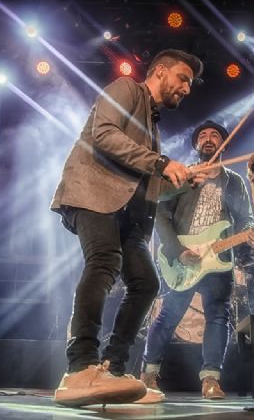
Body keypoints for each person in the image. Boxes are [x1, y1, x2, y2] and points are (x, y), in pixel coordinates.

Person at [49, 49, 203, 406]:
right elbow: (104, 134)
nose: (186, 88)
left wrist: (182, 182)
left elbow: (148, 184)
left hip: (127, 212)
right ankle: (79, 368)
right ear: (160, 71)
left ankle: (113, 369)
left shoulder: (152, 126)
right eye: (182, 78)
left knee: (146, 283)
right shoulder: (126, 88)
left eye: (190, 84)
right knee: (104, 262)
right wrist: (162, 162)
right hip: (92, 193)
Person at [140, 120, 254, 400]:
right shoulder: (185, 176)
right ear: (196, 145)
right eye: (203, 136)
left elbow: (245, 218)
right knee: (169, 315)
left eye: (214, 135)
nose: (208, 139)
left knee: (218, 316)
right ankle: (149, 373)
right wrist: (178, 251)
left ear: (223, 144)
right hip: (183, 258)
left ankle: (211, 379)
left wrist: (249, 232)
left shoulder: (234, 182)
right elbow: (161, 215)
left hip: (219, 259)